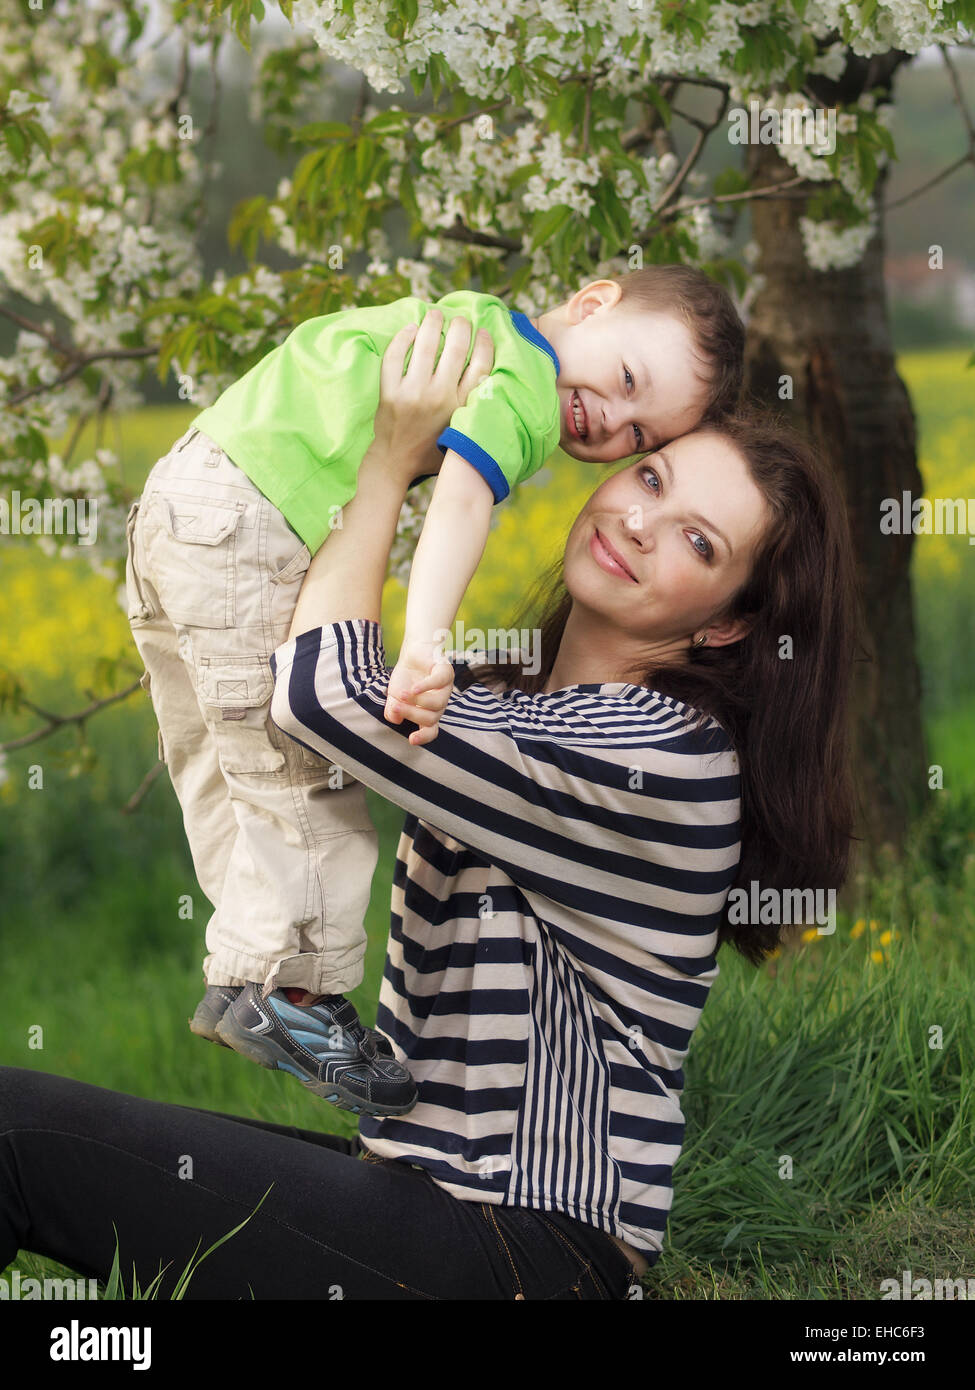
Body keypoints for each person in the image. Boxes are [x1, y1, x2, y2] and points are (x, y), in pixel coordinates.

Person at [0, 309, 858, 1299]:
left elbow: (320, 692)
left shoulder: (661, 758)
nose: (640, 521)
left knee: (16, 1134)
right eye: (651, 478)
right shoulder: (502, 696)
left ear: (727, 624)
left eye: (698, 542)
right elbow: (294, 659)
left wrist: (390, 456)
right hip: (422, 1196)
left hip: (522, 1247)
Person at [124, 265, 746, 1118]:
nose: (608, 418)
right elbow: (458, 503)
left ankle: (242, 977)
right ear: (591, 302)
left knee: (218, 761)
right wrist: (423, 644)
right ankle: (295, 996)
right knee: (304, 775)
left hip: (180, 495)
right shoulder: (524, 382)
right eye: (627, 381)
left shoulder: (471, 319)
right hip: (253, 517)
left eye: (637, 435)